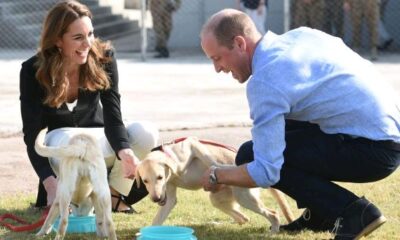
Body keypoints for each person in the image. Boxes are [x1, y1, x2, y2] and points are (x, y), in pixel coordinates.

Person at [200, 9, 400, 239]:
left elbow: (266, 171)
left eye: (217, 58)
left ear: (239, 43)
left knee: (251, 155)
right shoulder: (302, 36)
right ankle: (321, 213)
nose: (217, 69)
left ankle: (355, 212)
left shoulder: (265, 80)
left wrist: (218, 175)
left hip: (373, 151)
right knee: (279, 132)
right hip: (387, 134)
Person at [19, 0, 158, 213]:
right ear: (57, 40)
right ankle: (72, 197)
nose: (87, 43)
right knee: (71, 140)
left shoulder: (104, 57)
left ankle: (112, 196)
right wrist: (50, 183)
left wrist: (125, 151)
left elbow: (113, 114)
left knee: (146, 133)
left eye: (90, 34)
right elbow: (32, 135)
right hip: (61, 146)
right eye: (78, 37)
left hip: (98, 139)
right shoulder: (33, 70)